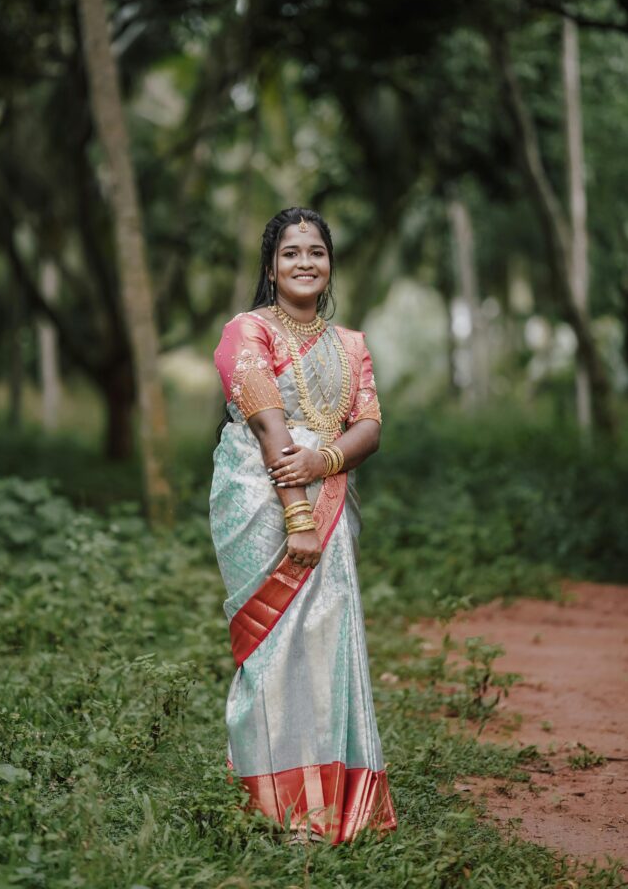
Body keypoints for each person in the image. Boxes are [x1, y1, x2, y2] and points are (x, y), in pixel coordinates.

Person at [210, 207, 397, 844]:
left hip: (331, 498)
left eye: (316, 251)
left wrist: (329, 458)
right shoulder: (247, 330)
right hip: (261, 502)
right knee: (274, 644)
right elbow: (267, 428)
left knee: (325, 640)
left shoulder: (351, 346)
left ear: (329, 264)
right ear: (270, 268)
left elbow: (369, 426)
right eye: (291, 253)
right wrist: (296, 513)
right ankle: (272, 801)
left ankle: (331, 804)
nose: (305, 262)